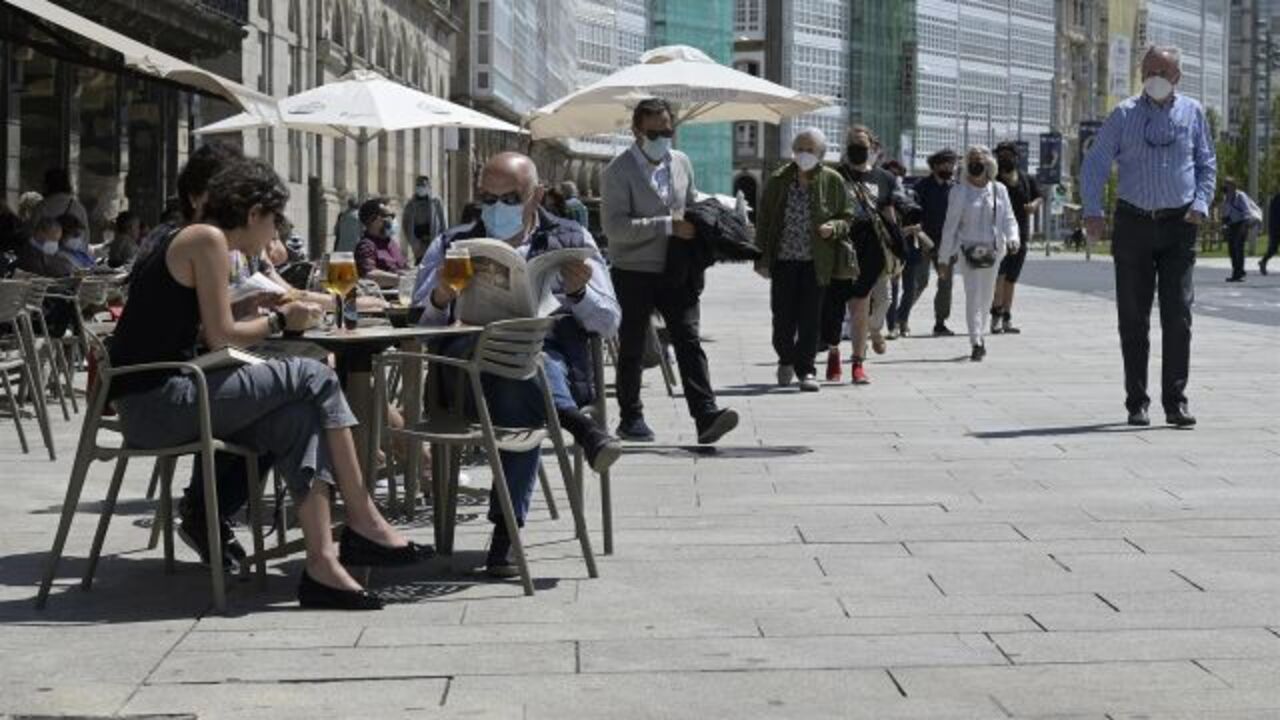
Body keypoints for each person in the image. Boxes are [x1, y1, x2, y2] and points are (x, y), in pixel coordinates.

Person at [108, 158, 429, 610]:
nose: (274, 233)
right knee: (315, 373)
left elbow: (200, 325)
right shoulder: (207, 237)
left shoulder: (201, 239)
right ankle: (363, 518)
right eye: (274, 220)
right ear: (255, 213)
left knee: (297, 417)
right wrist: (280, 318)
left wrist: (258, 303)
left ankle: (322, 565)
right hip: (159, 401)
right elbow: (221, 335)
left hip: (170, 395)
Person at [413, 152, 622, 578]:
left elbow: (609, 322)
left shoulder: (571, 239)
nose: (496, 208)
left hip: (543, 359)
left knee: (527, 367)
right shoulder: (452, 243)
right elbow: (418, 325)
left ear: (536, 195)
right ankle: (579, 428)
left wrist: (580, 294)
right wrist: (440, 296)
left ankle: (507, 530)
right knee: (522, 368)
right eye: (487, 198)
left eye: (509, 198)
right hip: (466, 367)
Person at [1081, 45, 1215, 428]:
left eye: (1162, 70)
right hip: (1134, 223)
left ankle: (1176, 402)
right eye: (1149, 69)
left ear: (1178, 76)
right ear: (1141, 73)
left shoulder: (1193, 112)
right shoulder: (1124, 114)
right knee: (1133, 317)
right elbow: (1096, 162)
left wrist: (1201, 203)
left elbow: (1206, 162)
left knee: (1178, 315)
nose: (1154, 76)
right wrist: (1092, 210)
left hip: (1179, 225)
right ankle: (1136, 402)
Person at [601, 97, 738, 444]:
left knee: (688, 339)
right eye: (654, 131)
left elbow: (688, 201)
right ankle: (630, 416)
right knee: (633, 345)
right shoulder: (617, 172)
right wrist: (666, 225)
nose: (663, 136)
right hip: (633, 269)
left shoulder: (681, 161)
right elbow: (615, 228)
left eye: (667, 130)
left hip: (677, 267)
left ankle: (706, 414)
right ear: (636, 131)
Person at [754, 128, 852, 392]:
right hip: (783, 260)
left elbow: (847, 216)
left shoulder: (832, 180)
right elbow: (764, 221)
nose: (804, 154)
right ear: (793, 151)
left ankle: (807, 370)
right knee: (782, 317)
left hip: (816, 262)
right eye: (800, 148)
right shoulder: (778, 179)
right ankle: (786, 358)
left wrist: (834, 227)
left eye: (810, 149)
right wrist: (760, 257)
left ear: (820, 153)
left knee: (811, 318)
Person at [823, 125, 899, 385]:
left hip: (870, 247)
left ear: (872, 148)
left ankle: (857, 362)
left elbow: (888, 216)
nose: (857, 149)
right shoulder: (833, 175)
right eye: (853, 144)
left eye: (862, 145)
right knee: (834, 306)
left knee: (860, 305)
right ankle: (833, 353)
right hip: (840, 243)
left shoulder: (885, 178)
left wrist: (898, 246)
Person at [939, 146, 1020, 361]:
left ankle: (980, 333)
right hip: (968, 252)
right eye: (971, 160)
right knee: (973, 295)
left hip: (993, 252)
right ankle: (976, 341)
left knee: (986, 298)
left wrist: (1013, 238)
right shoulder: (959, 191)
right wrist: (943, 259)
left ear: (988, 165)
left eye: (980, 160)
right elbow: (950, 226)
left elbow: (1009, 219)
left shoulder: (998, 190)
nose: (976, 163)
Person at [990, 140, 1042, 334]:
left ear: (1016, 157)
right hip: (998, 236)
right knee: (999, 276)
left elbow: (1038, 196)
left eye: (1008, 155)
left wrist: (1034, 206)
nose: (1004, 158)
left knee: (1011, 279)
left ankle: (1006, 317)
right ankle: (995, 314)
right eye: (1000, 155)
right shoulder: (993, 180)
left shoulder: (1025, 178)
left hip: (1021, 235)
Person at [913, 149, 958, 336]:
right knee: (919, 281)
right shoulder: (922, 186)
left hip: (947, 243)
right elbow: (914, 213)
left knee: (945, 284)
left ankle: (940, 323)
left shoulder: (955, 188)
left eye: (952, 164)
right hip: (924, 240)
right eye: (945, 163)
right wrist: (920, 236)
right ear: (935, 165)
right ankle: (900, 317)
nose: (949, 167)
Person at [354, 197, 410, 288]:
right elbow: (369, 275)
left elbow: (404, 268)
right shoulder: (366, 246)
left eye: (393, 216)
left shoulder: (391, 243)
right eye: (389, 216)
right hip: (385, 298)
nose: (392, 220)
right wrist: (402, 280)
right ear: (372, 220)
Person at [32, 169, 89, 239]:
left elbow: (32, 234)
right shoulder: (79, 208)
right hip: (72, 249)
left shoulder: (41, 206)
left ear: (47, 185)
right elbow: (85, 238)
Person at [401, 175, 447, 263]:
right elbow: (405, 224)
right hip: (418, 241)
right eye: (418, 185)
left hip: (433, 238)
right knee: (420, 263)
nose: (420, 187)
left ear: (428, 186)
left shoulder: (436, 202)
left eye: (423, 185)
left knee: (433, 264)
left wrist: (443, 239)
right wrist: (413, 241)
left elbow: (442, 222)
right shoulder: (410, 204)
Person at [1220, 177, 1256, 282]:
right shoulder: (1226, 197)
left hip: (1241, 224)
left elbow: (1247, 212)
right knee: (1231, 250)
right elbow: (1225, 213)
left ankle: (1237, 273)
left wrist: (1244, 227)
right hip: (1231, 225)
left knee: (1238, 249)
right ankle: (1238, 270)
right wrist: (1224, 224)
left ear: (1233, 186)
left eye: (1227, 184)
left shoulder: (1240, 196)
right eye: (1225, 184)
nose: (1225, 186)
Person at [1263, 190, 1280, 276]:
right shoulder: (1276, 199)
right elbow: (1273, 216)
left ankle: (1263, 262)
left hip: (1275, 227)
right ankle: (1263, 262)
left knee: (1273, 249)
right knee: (1273, 249)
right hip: (1276, 228)